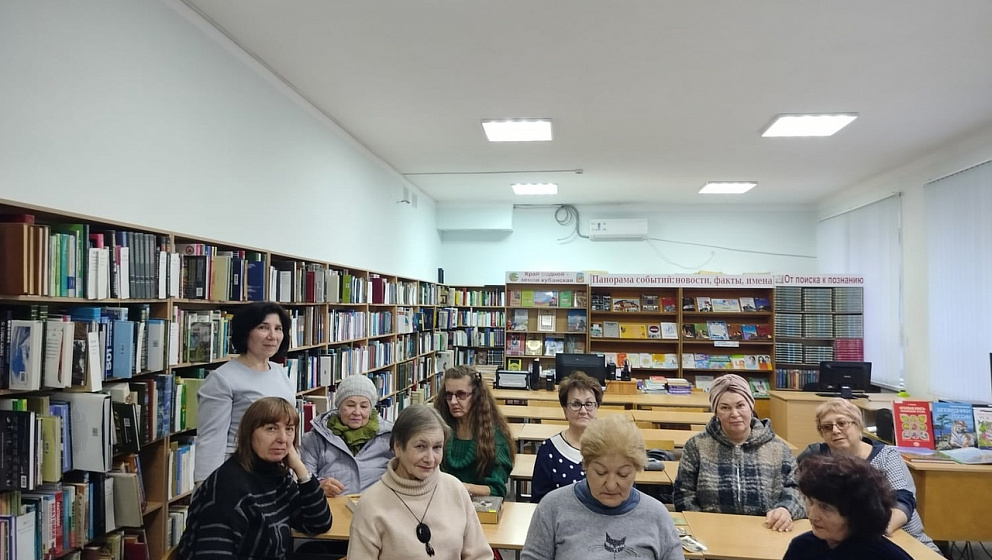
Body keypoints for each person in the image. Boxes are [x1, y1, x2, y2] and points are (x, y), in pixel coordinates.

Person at [177, 397, 332, 559]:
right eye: (271, 429)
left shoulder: (275, 473)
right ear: (249, 434)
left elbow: (318, 523)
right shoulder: (228, 489)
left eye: (289, 429)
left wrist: (300, 468)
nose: (283, 438)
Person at [520, 414, 684, 560]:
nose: (611, 486)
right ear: (585, 465)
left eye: (623, 474)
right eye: (600, 472)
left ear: (637, 470)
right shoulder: (552, 508)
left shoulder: (657, 516)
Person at [347, 404, 493, 560]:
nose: (430, 458)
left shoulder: (455, 489)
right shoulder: (371, 504)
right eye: (420, 447)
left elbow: (480, 556)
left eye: (437, 447)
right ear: (398, 447)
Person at [797, 398, 940, 552]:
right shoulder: (817, 459)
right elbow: (800, 496)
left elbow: (903, 500)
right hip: (838, 541)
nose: (835, 430)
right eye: (827, 427)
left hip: (900, 538)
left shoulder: (886, 455)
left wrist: (869, 533)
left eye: (842, 423)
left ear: (858, 425)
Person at [673, 373, 804, 530]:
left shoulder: (778, 449)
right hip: (711, 532)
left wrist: (785, 509)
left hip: (767, 532)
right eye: (725, 408)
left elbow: (798, 490)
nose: (734, 414)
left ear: (751, 407)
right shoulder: (696, 446)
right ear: (715, 412)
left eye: (740, 405)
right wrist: (700, 524)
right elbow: (683, 494)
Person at [194, 302, 296, 483]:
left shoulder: (280, 372)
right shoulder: (222, 379)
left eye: (278, 329)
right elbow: (211, 439)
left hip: (275, 471)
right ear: (246, 331)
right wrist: (207, 487)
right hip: (238, 473)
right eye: (263, 327)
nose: (272, 336)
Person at [783, 454, 913, 560]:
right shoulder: (802, 547)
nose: (812, 515)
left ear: (856, 514)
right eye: (810, 502)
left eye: (825, 508)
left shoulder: (884, 556)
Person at [300, 374, 393, 496]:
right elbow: (303, 480)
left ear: (371, 409)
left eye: (364, 406)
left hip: (375, 505)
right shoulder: (315, 439)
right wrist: (318, 486)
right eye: (350, 405)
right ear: (339, 406)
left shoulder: (389, 437)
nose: (357, 412)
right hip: (331, 505)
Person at [434, 366, 514, 497]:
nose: (453, 402)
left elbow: (497, 489)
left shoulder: (495, 437)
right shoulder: (438, 429)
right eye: (448, 395)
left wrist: (461, 488)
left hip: (479, 504)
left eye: (461, 395)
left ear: (476, 396)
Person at [530, 371, 602, 503]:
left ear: (596, 407)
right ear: (565, 411)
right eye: (575, 404)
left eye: (589, 404)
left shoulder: (610, 448)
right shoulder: (548, 451)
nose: (583, 410)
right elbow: (539, 502)